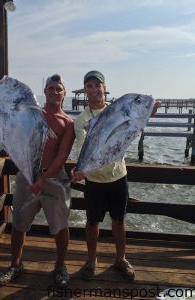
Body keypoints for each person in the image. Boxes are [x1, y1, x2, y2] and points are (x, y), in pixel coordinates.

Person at [73, 70, 160, 281]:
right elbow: (82, 148)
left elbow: (131, 128)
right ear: (85, 90)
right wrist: (80, 169)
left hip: (118, 176)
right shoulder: (81, 119)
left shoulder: (117, 109)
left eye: (97, 85)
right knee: (92, 222)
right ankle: (91, 260)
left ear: (104, 88)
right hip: (94, 180)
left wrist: (149, 111)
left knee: (119, 221)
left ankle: (121, 259)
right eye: (89, 86)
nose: (94, 90)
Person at [0, 74, 75, 288]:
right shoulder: (32, 111)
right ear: (45, 91)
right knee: (19, 223)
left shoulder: (68, 123)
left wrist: (43, 179)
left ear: (64, 94)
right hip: (26, 175)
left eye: (58, 89)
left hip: (54, 178)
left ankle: (60, 267)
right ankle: (15, 265)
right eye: (50, 88)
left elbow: (62, 155)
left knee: (60, 226)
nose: (54, 92)